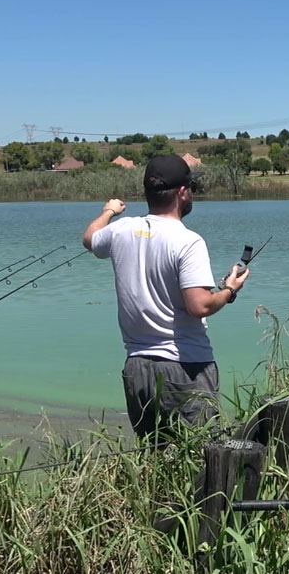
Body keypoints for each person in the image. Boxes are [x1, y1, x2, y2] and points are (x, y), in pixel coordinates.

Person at [81, 154, 250, 441]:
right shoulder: (187, 240)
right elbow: (199, 306)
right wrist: (229, 290)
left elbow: (89, 238)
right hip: (185, 367)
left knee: (154, 457)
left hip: (137, 369)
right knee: (199, 456)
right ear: (182, 193)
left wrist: (109, 211)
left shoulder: (121, 230)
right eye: (191, 188)